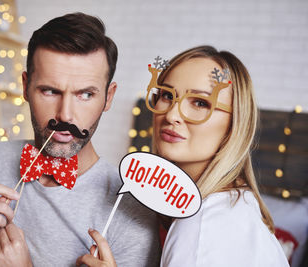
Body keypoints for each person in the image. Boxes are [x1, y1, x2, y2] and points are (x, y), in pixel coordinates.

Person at [0, 12, 161, 266]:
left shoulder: (130, 207)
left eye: (85, 95)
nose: (65, 114)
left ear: (108, 97)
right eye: (50, 91)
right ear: (26, 87)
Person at [77, 46, 290, 267]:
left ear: (234, 124)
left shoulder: (205, 225)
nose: (172, 115)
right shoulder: (229, 204)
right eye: (167, 96)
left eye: (200, 103)